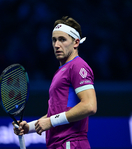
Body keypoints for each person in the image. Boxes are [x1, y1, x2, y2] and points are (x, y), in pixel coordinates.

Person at [13, 16, 97, 149]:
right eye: (54, 40)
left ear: (76, 42)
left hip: (71, 143)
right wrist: (29, 127)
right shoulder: (62, 70)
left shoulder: (78, 66)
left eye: (62, 39)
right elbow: (59, 112)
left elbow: (90, 106)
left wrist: (51, 121)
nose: (56, 45)